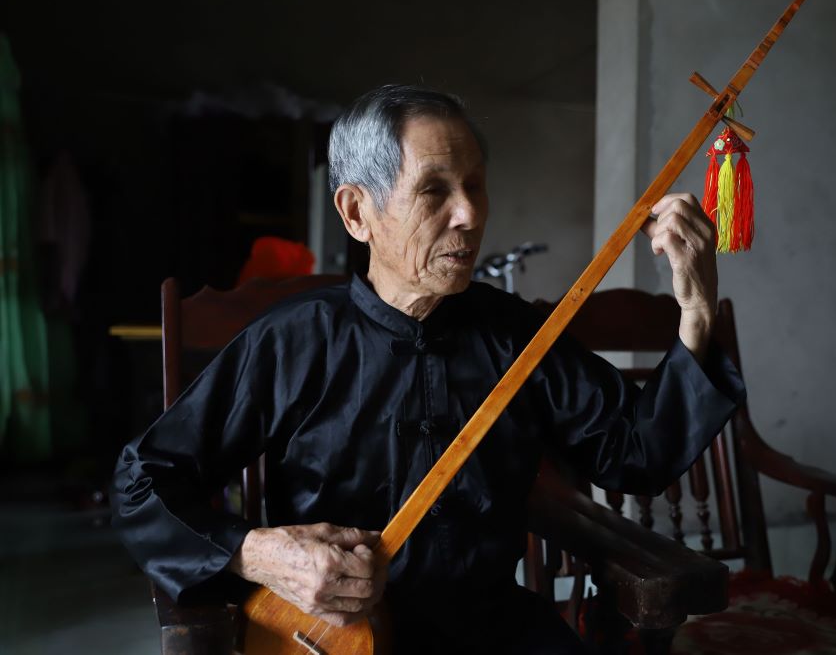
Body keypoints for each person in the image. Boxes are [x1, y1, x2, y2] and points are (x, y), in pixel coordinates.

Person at [112, 85, 745, 654]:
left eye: (475, 185)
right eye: (435, 190)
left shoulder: (516, 335)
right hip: (334, 639)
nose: (469, 214)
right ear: (357, 212)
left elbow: (637, 455)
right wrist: (260, 554)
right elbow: (143, 482)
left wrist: (696, 311)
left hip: (493, 630)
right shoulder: (294, 341)